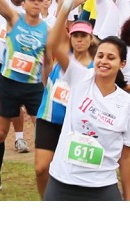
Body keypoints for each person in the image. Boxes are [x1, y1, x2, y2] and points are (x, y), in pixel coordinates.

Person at [43, 0, 130, 201]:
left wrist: (128, 198)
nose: (104, 61)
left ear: (122, 64)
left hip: (102, 186)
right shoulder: (79, 78)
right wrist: (66, 3)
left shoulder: (129, 105)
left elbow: (126, 157)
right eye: (101, 56)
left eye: (111, 58)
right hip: (63, 181)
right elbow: (54, 45)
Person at [0, 0, 49, 195]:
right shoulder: (13, 18)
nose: (35, 3)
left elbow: (50, 63)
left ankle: (49, 174)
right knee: (0, 133)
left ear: (44, 3)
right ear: (24, 3)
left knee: (44, 131)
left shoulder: (48, 29)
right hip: (8, 83)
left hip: (34, 87)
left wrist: (48, 87)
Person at [34, 20, 96, 198]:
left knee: (73, 172)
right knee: (41, 168)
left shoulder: (94, 67)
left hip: (75, 126)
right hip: (49, 119)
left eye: (83, 36)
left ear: (90, 39)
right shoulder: (63, 57)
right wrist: (66, 0)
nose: (79, 39)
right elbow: (52, 39)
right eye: (75, 35)